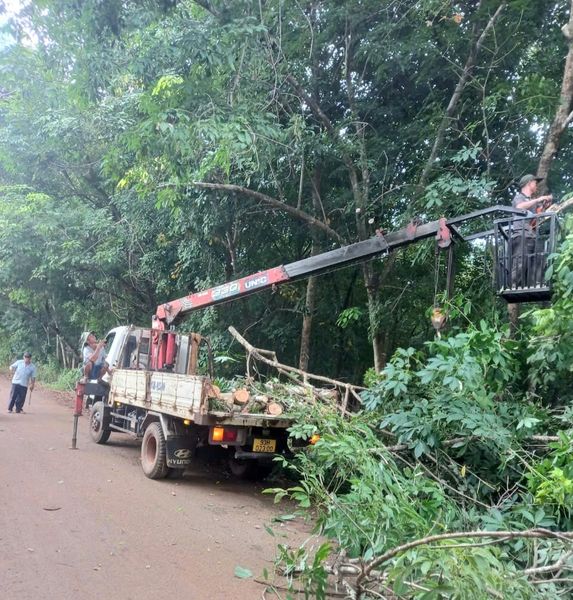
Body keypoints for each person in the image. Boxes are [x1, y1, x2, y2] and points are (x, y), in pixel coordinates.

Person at [510, 174, 553, 288]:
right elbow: (519, 207)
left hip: (532, 235)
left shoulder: (532, 201)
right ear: (529, 183)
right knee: (520, 261)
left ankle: (538, 283)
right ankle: (514, 286)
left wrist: (545, 206)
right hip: (521, 235)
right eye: (535, 182)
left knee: (538, 259)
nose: (536, 185)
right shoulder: (519, 197)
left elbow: (538, 216)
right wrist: (539, 199)